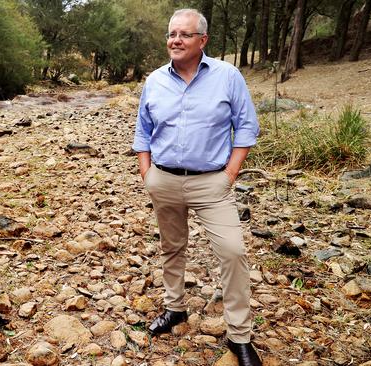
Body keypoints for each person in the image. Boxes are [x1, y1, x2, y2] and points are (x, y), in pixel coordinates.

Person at [132, 8, 262, 366]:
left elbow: (247, 127)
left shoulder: (227, 76)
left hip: (211, 183)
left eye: (184, 34)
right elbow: (143, 131)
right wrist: (147, 174)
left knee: (233, 252)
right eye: (172, 34)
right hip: (164, 179)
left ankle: (240, 337)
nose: (175, 40)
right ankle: (175, 309)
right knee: (172, 247)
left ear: (202, 40)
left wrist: (230, 174)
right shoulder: (155, 80)